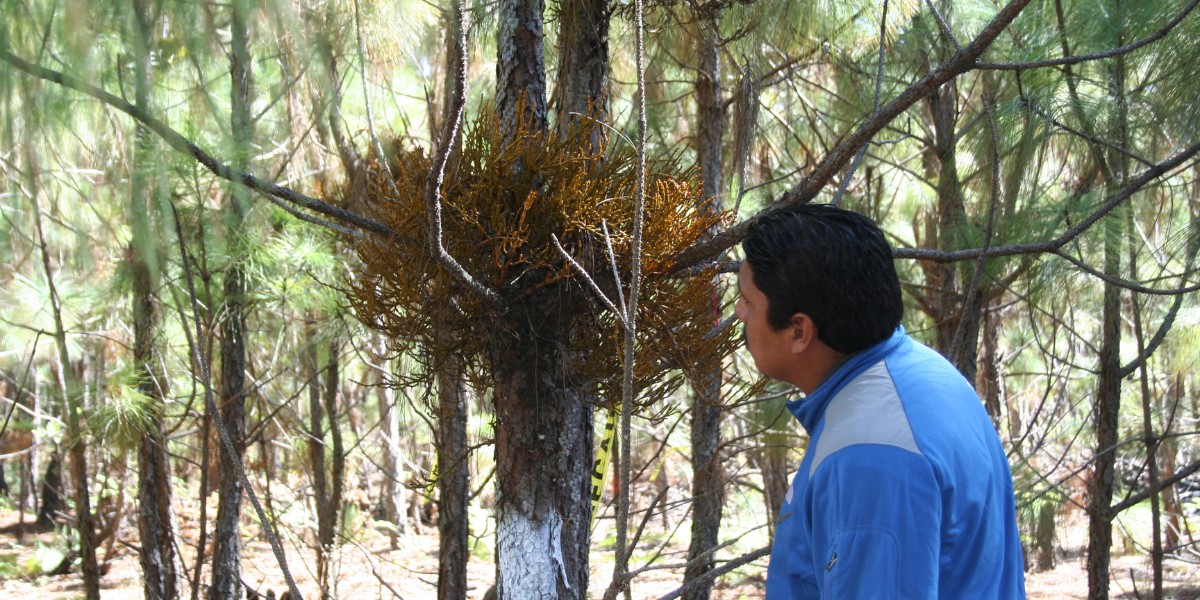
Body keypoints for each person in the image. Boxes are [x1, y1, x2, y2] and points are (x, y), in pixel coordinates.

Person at [734, 203, 1026, 598]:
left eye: (748, 302)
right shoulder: (918, 373)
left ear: (799, 331)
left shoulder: (870, 456)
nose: (738, 314)